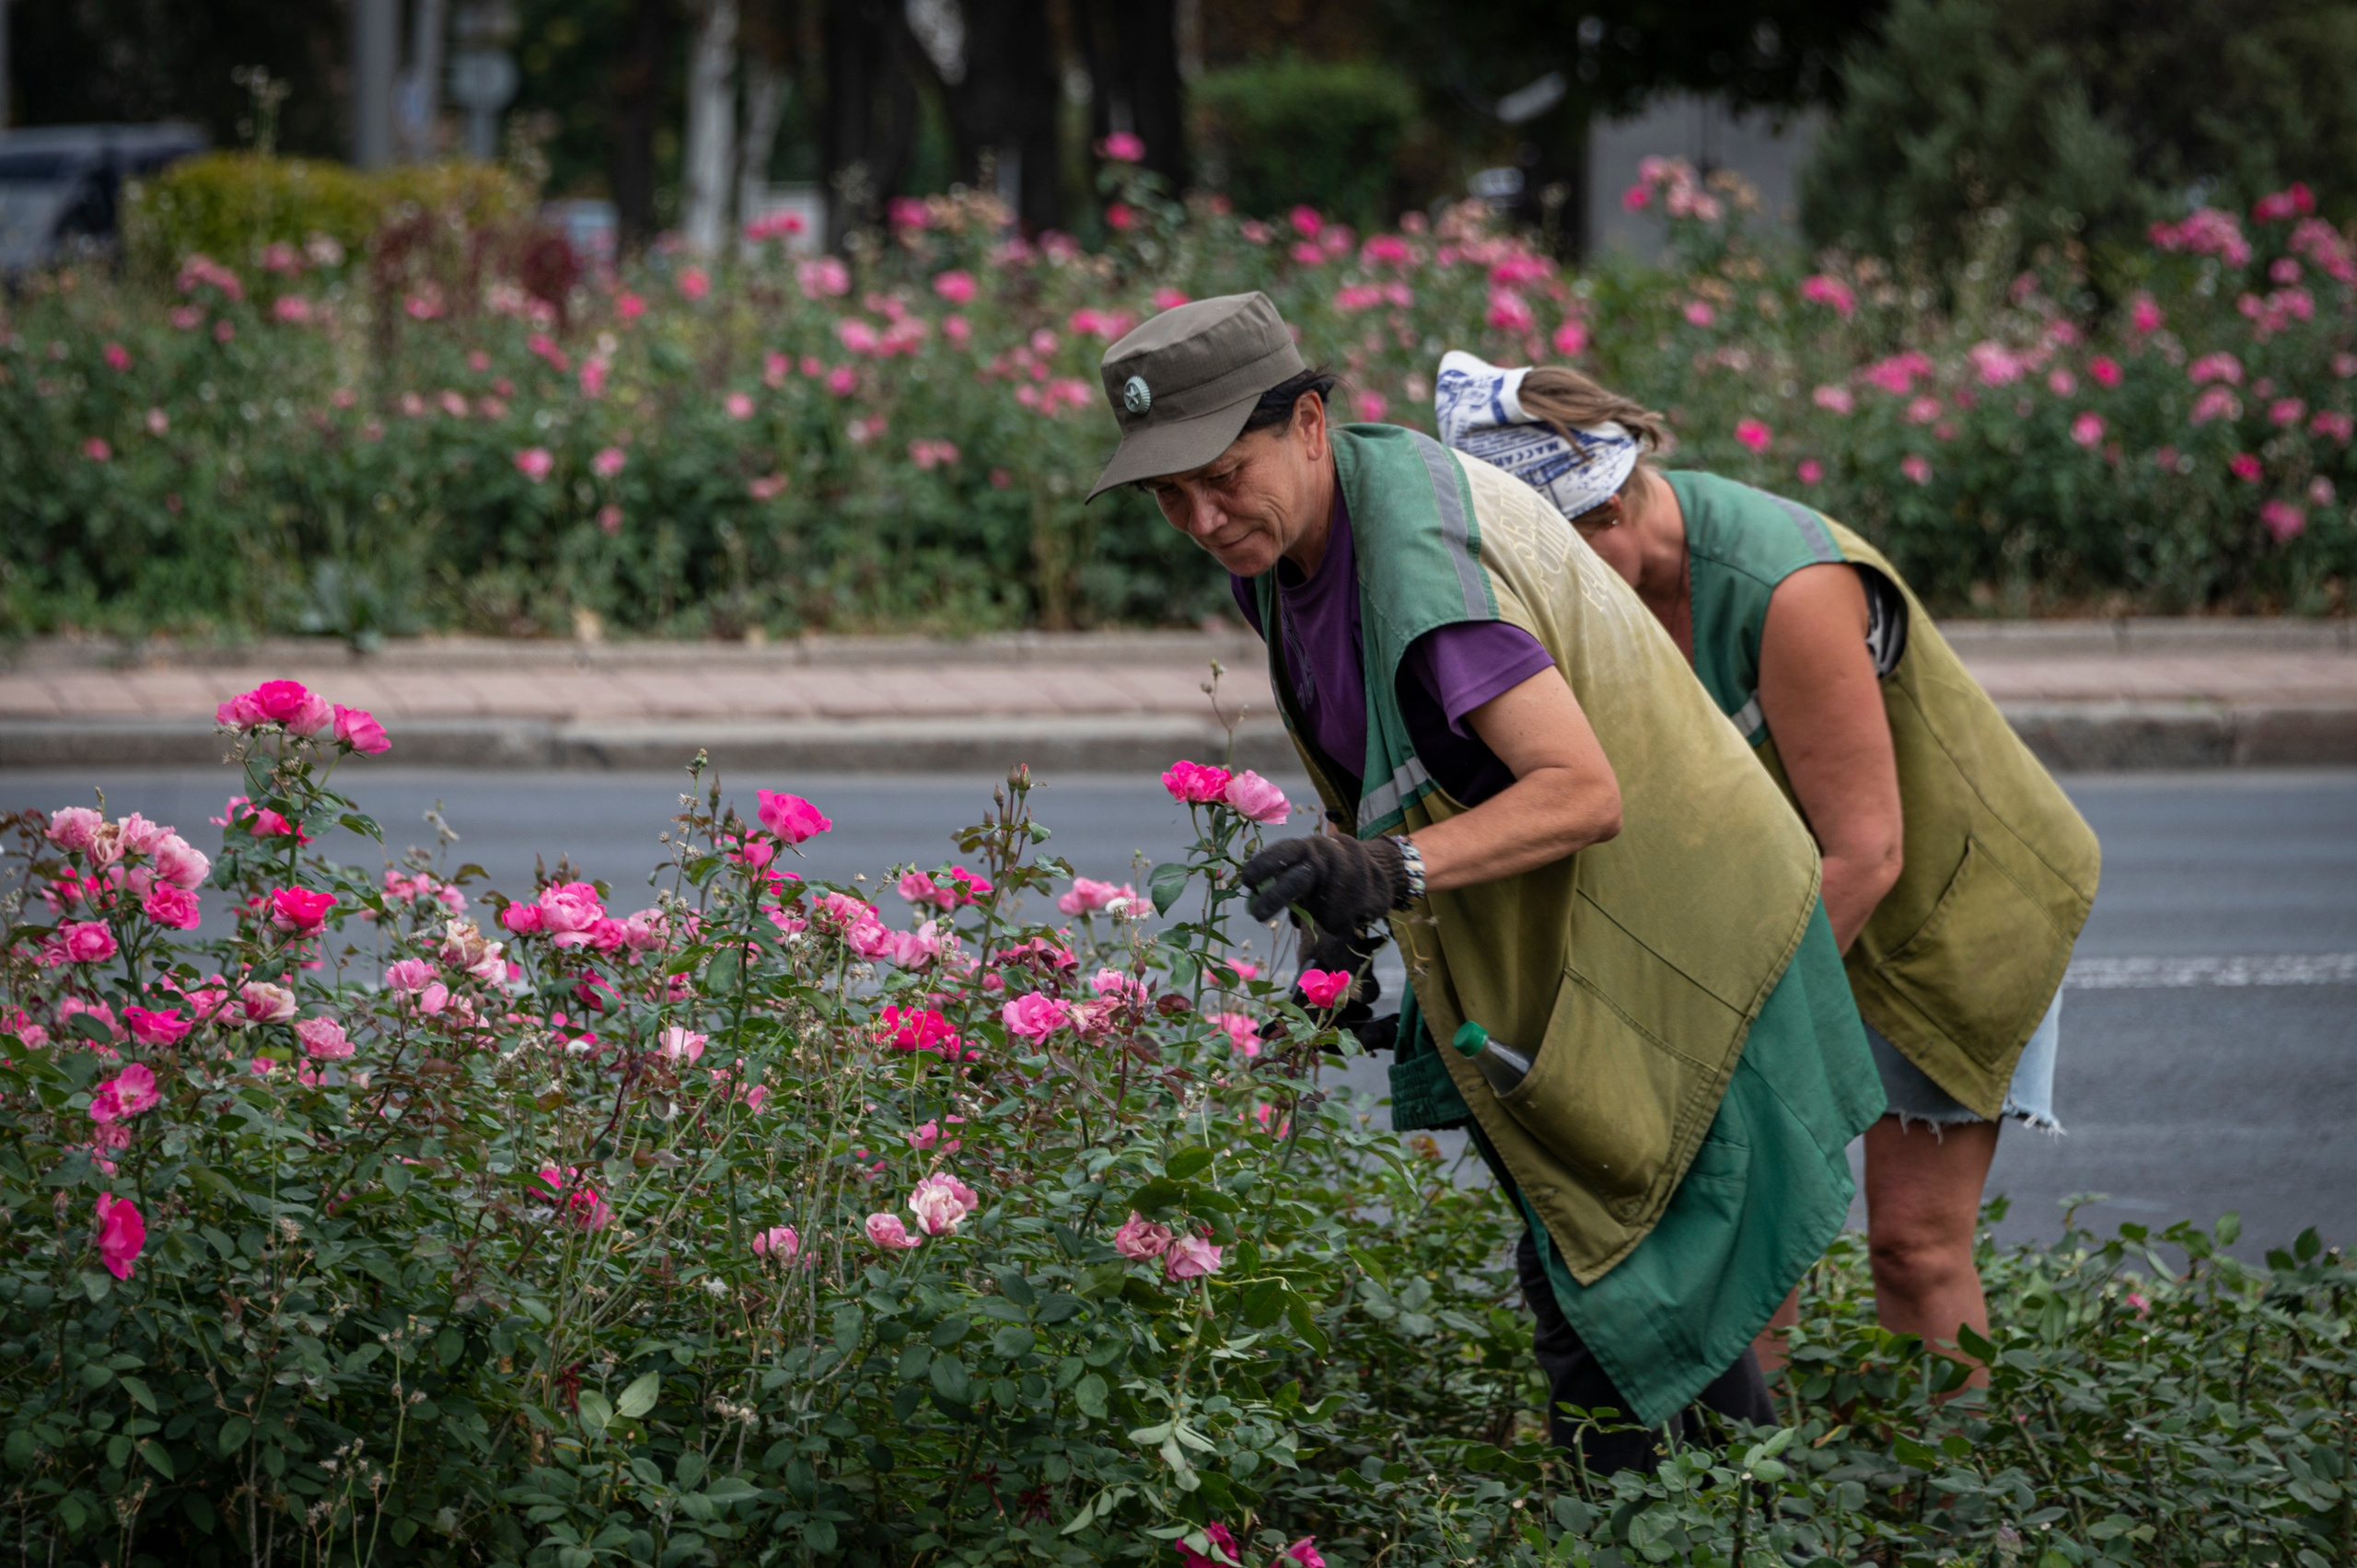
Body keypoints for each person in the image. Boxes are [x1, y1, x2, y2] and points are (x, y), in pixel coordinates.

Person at [1086, 292, 1887, 1471]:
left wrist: (1387, 868)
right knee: (1624, 1285)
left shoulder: (1419, 568)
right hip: (1591, 927)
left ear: (1307, 423)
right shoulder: (1289, 543)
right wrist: (1335, 907)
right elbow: (1378, 743)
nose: (1201, 518)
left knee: (1617, 1289)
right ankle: (1718, 1521)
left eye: (1221, 475)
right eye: (1168, 493)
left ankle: (1690, 1528)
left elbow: (1581, 793)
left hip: (1686, 933)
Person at [1433, 352, 2101, 1368]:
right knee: (1749, 1234)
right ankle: (1755, 1470)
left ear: (1606, 512)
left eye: (1548, 562)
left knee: (1914, 1246)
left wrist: (1719, 1035)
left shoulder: (1788, 584)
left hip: (1946, 913)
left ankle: (1951, 1474)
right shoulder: (1605, 587)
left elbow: (1866, 852)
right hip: (1787, 912)